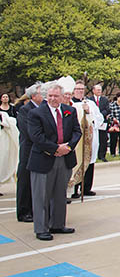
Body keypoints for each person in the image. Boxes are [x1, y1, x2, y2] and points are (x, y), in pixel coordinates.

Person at [27, 83, 82, 240]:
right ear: (46, 96)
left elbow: (77, 131)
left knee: (60, 195)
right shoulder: (36, 113)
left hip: (65, 159)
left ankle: (57, 224)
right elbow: (36, 136)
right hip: (44, 159)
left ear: (62, 96)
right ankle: (41, 229)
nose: (53, 99)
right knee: (41, 196)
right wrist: (56, 148)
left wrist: (69, 147)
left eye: (56, 96)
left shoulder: (69, 111)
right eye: (50, 96)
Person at [71, 80, 104, 199]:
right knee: (77, 161)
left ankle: (86, 188)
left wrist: (89, 112)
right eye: (77, 89)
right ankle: (74, 188)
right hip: (77, 138)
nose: (80, 91)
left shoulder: (90, 103)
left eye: (82, 89)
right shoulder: (70, 103)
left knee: (89, 161)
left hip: (90, 137)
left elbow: (99, 118)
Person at [16, 83, 43, 223]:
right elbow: (29, 132)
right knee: (25, 181)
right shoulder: (25, 110)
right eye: (41, 93)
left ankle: (34, 209)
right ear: (33, 96)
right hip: (28, 150)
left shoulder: (42, 109)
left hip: (39, 150)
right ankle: (23, 211)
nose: (43, 95)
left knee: (35, 183)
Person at [90, 84, 110, 162]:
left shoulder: (104, 100)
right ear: (93, 90)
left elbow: (107, 109)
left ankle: (102, 155)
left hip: (103, 122)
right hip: (93, 122)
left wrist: (100, 116)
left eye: (100, 90)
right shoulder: (90, 100)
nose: (99, 91)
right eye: (97, 90)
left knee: (103, 139)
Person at [108, 91, 120, 157]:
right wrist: (114, 120)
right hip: (114, 124)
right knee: (113, 139)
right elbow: (110, 114)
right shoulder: (112, 105)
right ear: (117, 97)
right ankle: (112, 152)